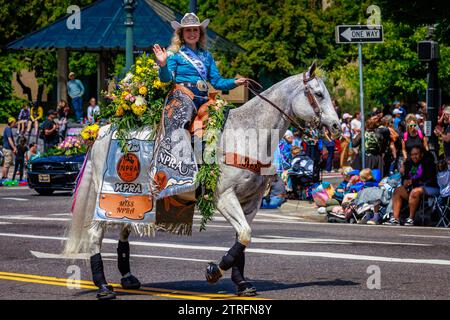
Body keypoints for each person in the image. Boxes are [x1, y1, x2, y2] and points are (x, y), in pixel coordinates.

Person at [152, 12, 246, 112]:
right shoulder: (174, 54)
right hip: (183, 98)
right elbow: (166, 79)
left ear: (200, 33)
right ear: (181, 34)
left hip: (204, 98)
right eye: (188, 30)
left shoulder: (207, 56)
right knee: (183, 122)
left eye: (195, 30)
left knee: (223, 118)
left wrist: (235, 82)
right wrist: (163, 64)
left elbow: (217, 82)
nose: (192, 33)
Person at [390, 146, 439, 226]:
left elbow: (428, 178)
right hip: (413, 187)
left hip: (429, 187)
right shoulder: (410, 164)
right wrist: (405, 181)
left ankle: (411, 218)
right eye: (412, 155)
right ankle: (395, 218)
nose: (414, 157)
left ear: (421, 154)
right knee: (398, 191)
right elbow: (405, 177)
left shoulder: (428, 163)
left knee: (415, 191)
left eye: (416, 154)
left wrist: (412, 181)